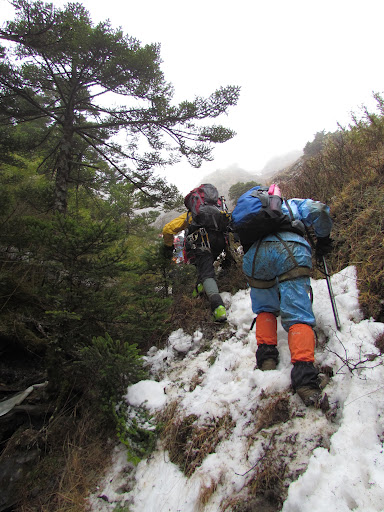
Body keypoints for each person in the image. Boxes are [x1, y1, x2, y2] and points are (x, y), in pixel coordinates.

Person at [239, 187, 333, 407]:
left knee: (265, 308)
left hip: (255, 256)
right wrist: (324, 239)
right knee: (298, 314)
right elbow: (318, 210)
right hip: (290, 249)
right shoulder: (290, 204)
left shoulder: (254, 216)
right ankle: (305, 381)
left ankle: (267, 359)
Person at [162, 184, 229, 322]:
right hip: (220, 242)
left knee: (206, 272)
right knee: (205, 267)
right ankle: (197, 291)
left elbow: (168, 230)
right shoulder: (219, 210)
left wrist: (168, 246)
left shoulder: (193, 214)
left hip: (202, 241)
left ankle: (218, 307)